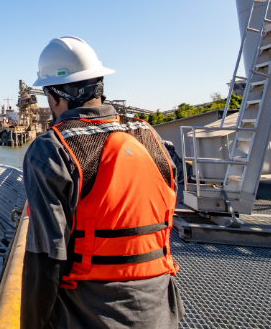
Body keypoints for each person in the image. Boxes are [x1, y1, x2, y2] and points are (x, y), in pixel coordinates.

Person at [21, 37, 183, 329]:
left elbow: (46, 256)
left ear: (53, 97)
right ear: (100, 85)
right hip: (160, 310)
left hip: (89, 313)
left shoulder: (52, 149)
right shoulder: (149, 135)